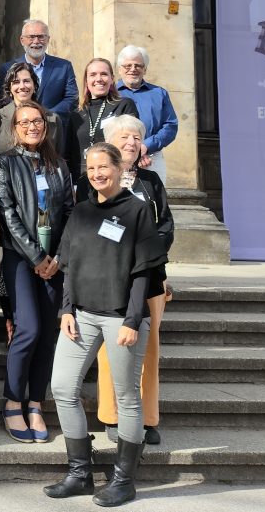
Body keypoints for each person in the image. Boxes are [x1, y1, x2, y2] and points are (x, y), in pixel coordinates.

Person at [45, 142, 168, 507]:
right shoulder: (81, 212)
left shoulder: (138, 211)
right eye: (92, 168)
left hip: (121, 320)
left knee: (127, 397)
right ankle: (80, 473)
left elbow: (145, 272)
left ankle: (123, 480)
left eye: (104, 167)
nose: (98, 174)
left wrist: (132, 320)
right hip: (81, 316)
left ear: (118, 167)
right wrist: (65, 310)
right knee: (63, 387)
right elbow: (68, 266)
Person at [89, 115, 174, 447]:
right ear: (111, 142)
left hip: (149, 277)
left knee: (148, 349)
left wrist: (149, 259)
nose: (131, 143)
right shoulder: (93, 180)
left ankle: (147, 417)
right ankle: (112, 415)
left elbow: (165, 225)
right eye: (124, 137)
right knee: (112, 350)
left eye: (136, 138)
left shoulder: (151, 181)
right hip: (110, 278)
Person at [0, 100, 73, 444]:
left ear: (45, 124)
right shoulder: (5, 164)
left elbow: (70, 214)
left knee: (47, 335)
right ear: (15, 128)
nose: (31, 126)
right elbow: (8, 214)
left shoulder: (60, 166)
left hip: (54, 262)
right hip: (20, 258)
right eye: (24, 122)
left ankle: (36, 404)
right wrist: (37, 255)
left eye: (37, 121)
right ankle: (13, 402)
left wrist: (57, 256)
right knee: (28, 328)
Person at [65, 58, 139, 179]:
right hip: (83, 181)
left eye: (104, 74)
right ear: (86, 80)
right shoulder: (76, 114)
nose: (98, 79)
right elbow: (69, 153)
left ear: (112, 79)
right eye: (93, 75)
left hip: (114, 180)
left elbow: (133, 145)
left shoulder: (124, 105)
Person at [0, 62, 62, 171]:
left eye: (26, 81)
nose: (22, 86)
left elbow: (59, 159)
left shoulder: (52, 119)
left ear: (34, 85)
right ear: (9, 88)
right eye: (16, 82)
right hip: (7, 184)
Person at [116, 45, 178, 184]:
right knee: (121, 201)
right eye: (128, 66)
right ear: (119, 69)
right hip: (118, 159)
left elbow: (170, 126)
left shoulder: (159, 94)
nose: (133, 69)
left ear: (145, 69)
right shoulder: (111, 94)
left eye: (138, 65)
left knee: (153, 201)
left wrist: (145, 147)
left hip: (151, 158)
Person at [0, 19, 77, 126]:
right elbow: (4, 98)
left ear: (48, 39)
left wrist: (48, 115)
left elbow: (72, 98)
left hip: (54, 128)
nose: (36, 41)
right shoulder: (7, 68)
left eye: (41, 37)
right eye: (31, 37)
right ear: (22, 40)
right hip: (19, 127)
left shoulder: (64, 67)